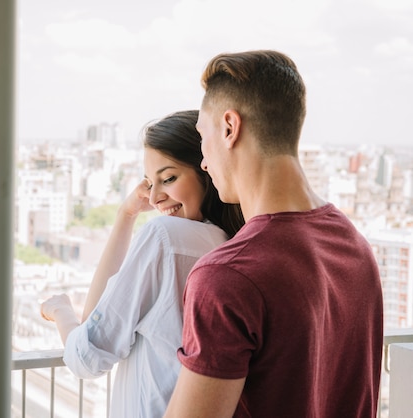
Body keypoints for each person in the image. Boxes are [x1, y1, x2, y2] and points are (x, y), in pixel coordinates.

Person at [164, 50, 384, 418]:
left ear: (230, 128)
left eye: (203, 137)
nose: (203, 161)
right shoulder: (355, 246)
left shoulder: (227, 276)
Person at [40, 109, 244, 418]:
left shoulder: (165, 237)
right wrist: (127, 214)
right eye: (150, 183)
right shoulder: (234, 243)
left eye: (169, 178)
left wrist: (61, 311)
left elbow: (87, 355)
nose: (155, 197)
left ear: (206, 171)